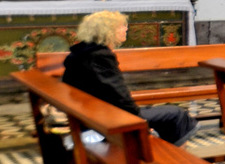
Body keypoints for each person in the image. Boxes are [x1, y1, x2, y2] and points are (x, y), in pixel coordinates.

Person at [61, 11, 197, 145]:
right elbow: (119, 96)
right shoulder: (99, 56)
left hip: (93, 116)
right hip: (105, 121)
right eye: (121, 26)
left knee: (167, 115)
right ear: (108, 30)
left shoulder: (80, 53)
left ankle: (164, 154)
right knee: (177, 114)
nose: (126, 28)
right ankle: (174, 160)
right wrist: (139, 121)